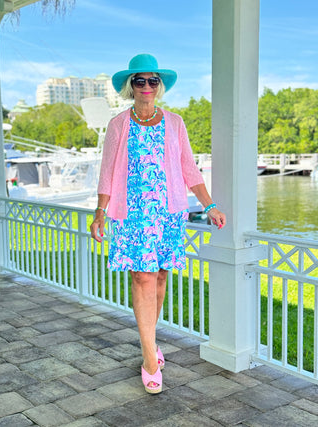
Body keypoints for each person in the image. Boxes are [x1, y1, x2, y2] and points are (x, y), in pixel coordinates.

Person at [90, 53, 226, 394]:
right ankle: (150, 358)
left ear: (159, 86)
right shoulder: (119, 124)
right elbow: (107, 172)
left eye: (153, 81)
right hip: (133, 213)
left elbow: (188, 168)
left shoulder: (175, 123)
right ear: (130, 86)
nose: (147, 87)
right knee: (142, 277)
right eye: (140, 81)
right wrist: (100, 211)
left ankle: (150, 341)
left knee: (161, 276)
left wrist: (209, 205)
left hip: (168, 213)